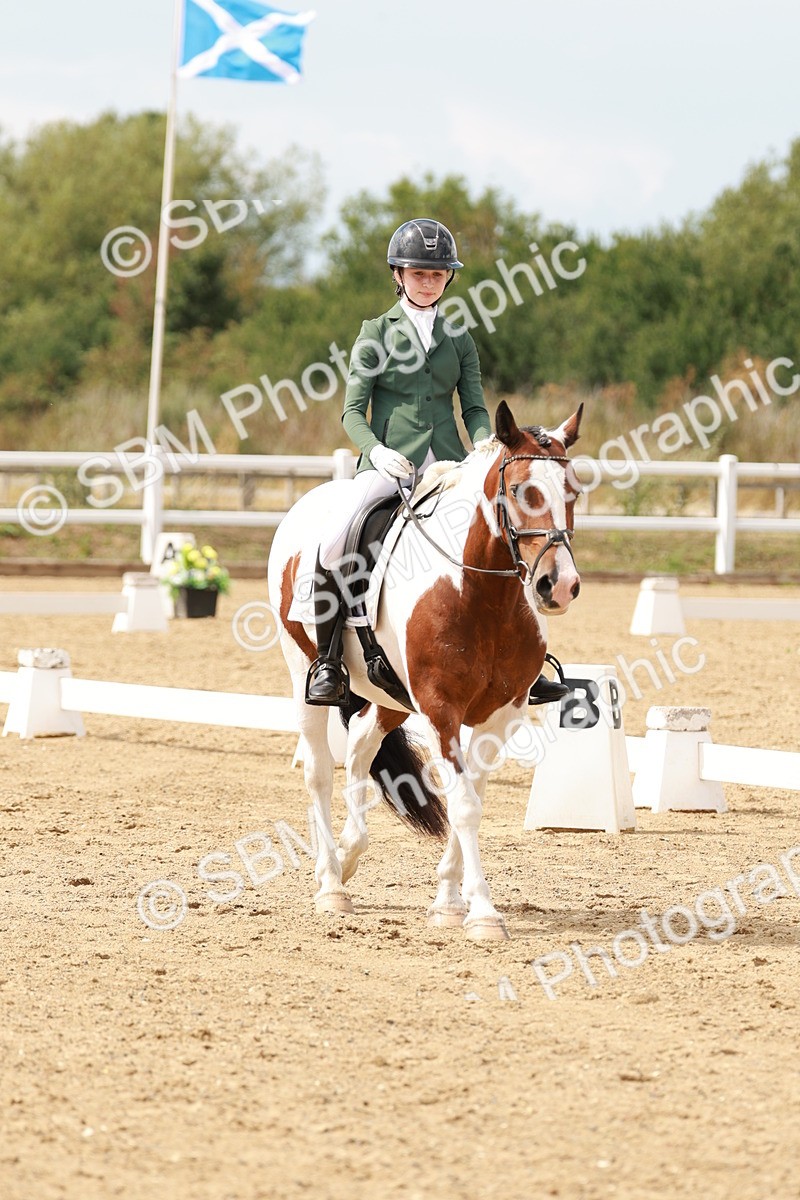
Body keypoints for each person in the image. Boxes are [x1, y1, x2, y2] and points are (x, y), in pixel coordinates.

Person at [305, 217, 568, 709]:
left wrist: (488, 445)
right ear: (399, 275)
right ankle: (327, 661)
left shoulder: (459, 338)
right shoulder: (374, 333)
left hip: (449, 463)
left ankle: (530, 660)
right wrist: (376, 451)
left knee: (507, 534)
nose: (428, 282)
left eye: (437, 274)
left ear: (448, 279)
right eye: (418, 273)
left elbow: (471, 406)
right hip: (388, 466)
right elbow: (350, 411)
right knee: (337, 538)